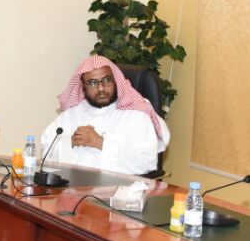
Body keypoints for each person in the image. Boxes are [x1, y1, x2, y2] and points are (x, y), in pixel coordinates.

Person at [40, 54, 169, 175]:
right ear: (83, 86)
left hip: (120, 189)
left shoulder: (136, 115)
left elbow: (147, 162)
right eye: (93, 82)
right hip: (72, 186)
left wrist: (101, 143)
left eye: (107, 80)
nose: (101, 88)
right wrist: (70, 142)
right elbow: (46, 155)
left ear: (116, 81)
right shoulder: (71, 115)